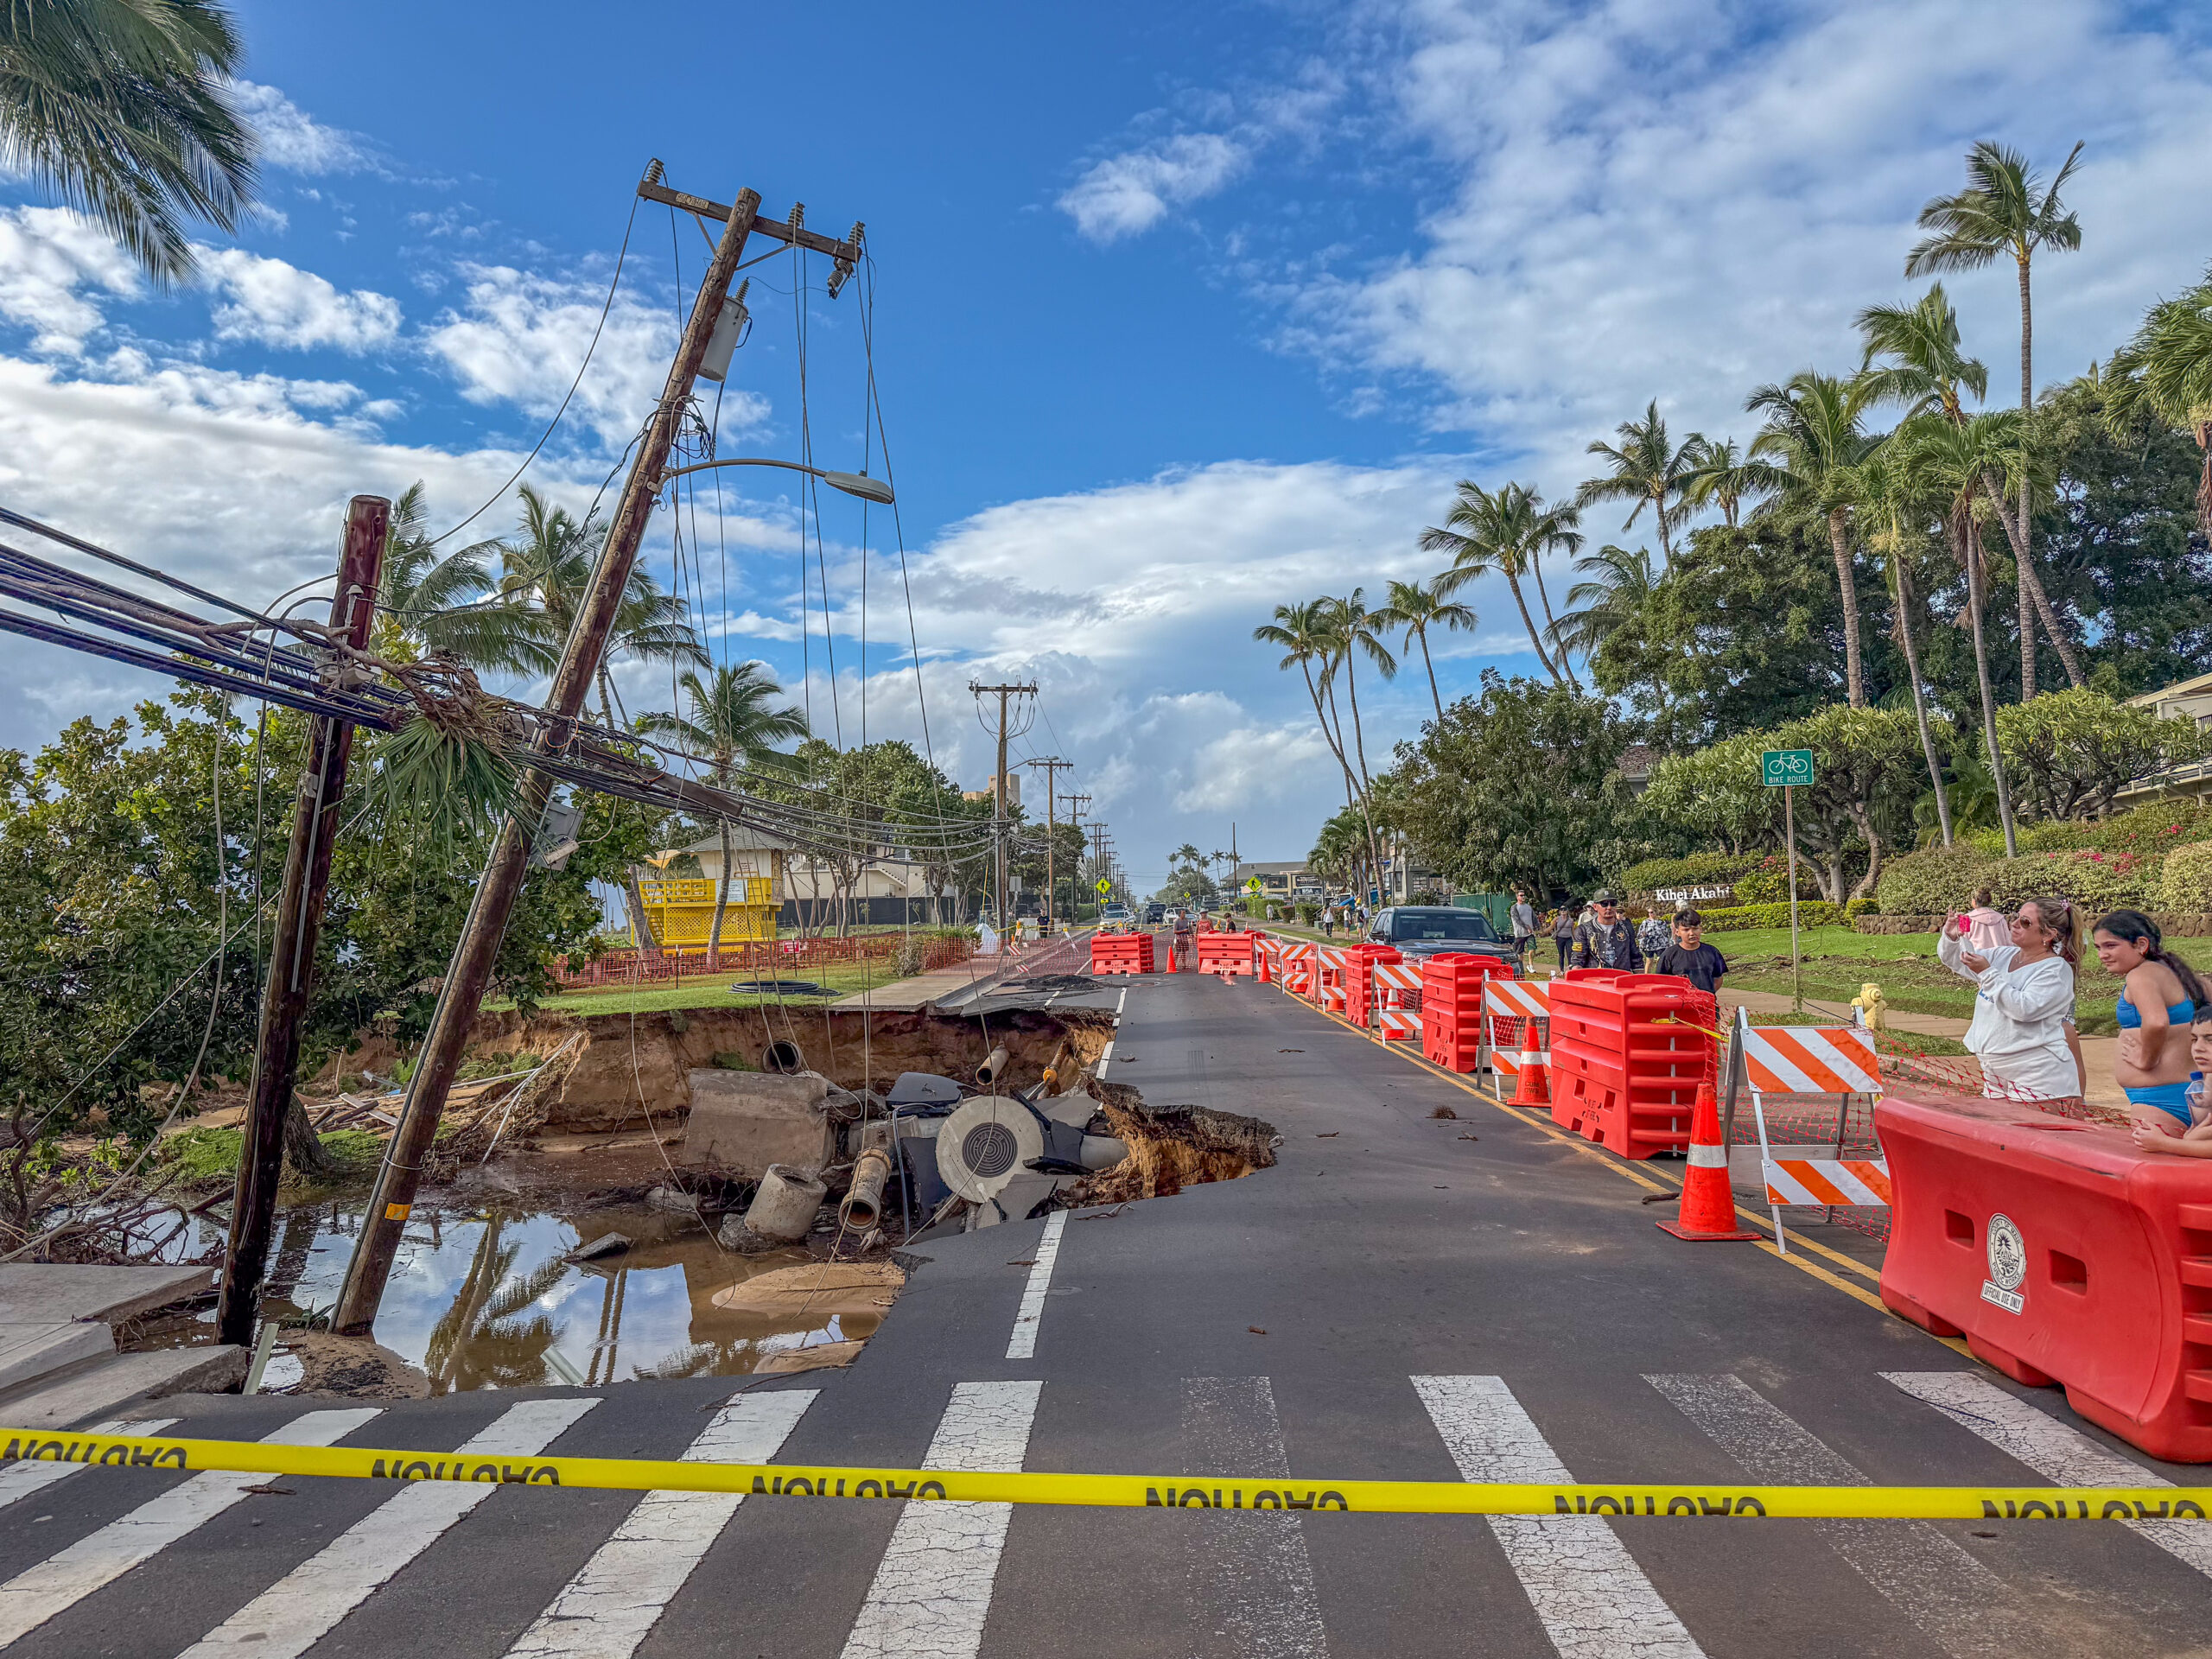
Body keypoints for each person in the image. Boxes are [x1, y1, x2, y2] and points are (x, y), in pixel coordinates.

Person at [1938, 897, 2082, 1105]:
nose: (2014, 924)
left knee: (2028, 1136)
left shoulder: (2055, 969)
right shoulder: (2003, 955)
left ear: (2049, 934)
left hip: (2036, 1074)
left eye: (2025, 922)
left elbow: (2024, 1009)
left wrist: (1987, 973)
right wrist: (1952, 938)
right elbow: (1960, 961)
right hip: (1994, 1070)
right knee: (1997, 1136)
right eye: (2016, 917)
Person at [2092, 908, 2208, 1134]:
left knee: (2164, 1166)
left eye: (2110, 945)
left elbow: (2156, 1022)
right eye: (2098, 947)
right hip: (2194, 1091)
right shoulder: (2179, 973)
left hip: (2159, 1100)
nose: (2102, 955)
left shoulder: (2141, 975)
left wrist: (2146, 1060)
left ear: (2141, 945)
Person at [2133, 1006, 2212, 1155]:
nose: (2198, 1048)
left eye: (2210, 1040)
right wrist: (2194, 1136)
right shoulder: (2207, 1079)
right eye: (2194, 1039)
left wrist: (2164, 1143)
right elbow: (2199, 1132)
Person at [1656, 908, 1726, 995]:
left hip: (1707, 1003)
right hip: (1680, 1004)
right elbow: (1661, 982)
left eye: (1695, 929)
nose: (1692, 933)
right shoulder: (1669, 955)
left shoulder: (1712, 952)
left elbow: (1718, 979)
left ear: (1700, 929)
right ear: (1677, 932)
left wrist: (1706, 995)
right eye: (1686, 930)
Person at [1572, 890, 1637, 970]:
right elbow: (1578, 958)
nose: (1609, 907)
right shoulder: (1583, 930)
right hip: (1595, 979)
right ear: (1595, 906)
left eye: (1613, 903)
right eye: (1604, 904)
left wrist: (1641, 978)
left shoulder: (1626, 927)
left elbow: (1636, 956)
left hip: (1621, 978)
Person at [1963, 887, 2008, 955]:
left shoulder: (1964, 919)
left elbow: (1962, 943)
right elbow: (2009, 942)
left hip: (1975, 958)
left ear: (1974, 901)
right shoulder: (2001, 918)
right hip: (1999, 957)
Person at [1636, 908, 1671, 973]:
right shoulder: (1645, 922)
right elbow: (1640, 934)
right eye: (1648, 913)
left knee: (1660, 960)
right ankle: (1646, 976)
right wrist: (1642, 936)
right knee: (1649, 961)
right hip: (1649, 944)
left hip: (1660, 944)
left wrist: (1667, 943)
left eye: (1651, 912)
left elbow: (1666, 933)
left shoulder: (1661, 922)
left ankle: (1659, 975)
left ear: (1656, 912)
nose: (1650, 914)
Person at [1509, 887, 1537, 967]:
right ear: (1517, 897)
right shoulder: (1514, 908)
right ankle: (1519, 967)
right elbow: (1517, 920)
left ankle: (1530, 965)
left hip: (1530, 933)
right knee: (1519, 953)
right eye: (1521, 895)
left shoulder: (1528, 907)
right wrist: (1526, 927)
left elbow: (1533, 917)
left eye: (1524, 895)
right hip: (1520, 934)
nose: (1523, 897)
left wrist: (1537, 927)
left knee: (1533, 948)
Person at [1551, 901, 1579, 971]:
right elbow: (1551, 927)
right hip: (1560, 938)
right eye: (1561, 910)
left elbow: (1573, 930)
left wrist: (1575, 939)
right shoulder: (1557, 919)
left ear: (1567, 911)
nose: (1563, 911)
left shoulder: (1571, 920)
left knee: (1569, 954)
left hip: (1569, 939)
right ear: (1560, 912)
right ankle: (1561, 970)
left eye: (1564, 910)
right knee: (1561, 954)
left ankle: (1570, 969)